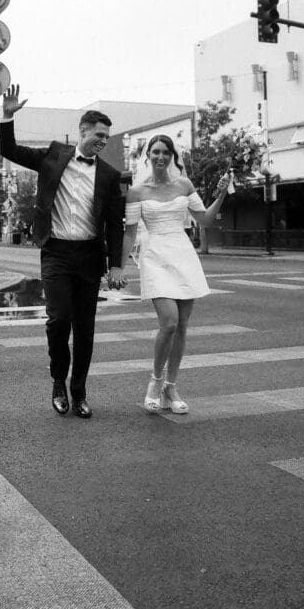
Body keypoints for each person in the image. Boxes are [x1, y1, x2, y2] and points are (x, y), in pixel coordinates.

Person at [0, 84, 125, 419]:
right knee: (59, 319)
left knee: (85, 328)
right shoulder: (53, 156)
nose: (103, 140)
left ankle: (79, 391)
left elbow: (115, 223)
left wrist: (116, 266)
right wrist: (7, 117)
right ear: (83, 131)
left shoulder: (110, 175)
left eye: (106, 137)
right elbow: (10, 150)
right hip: (56, 252)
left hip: (89, 256)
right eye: (99, 134)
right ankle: (58, 381)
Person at [118, 135, 232, 415]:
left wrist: (221, 195)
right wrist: (119, 267)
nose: (160, 156)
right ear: (148, 156)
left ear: (172, 156)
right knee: (168, 322)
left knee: (182, 326)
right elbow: (130, 232)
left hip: (182, 254)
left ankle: (172, 386)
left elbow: (204, 219)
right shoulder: (136, 192)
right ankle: (155, 382)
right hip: (154, 255)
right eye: (155, 152)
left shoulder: (184, 185)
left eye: (165, 152)